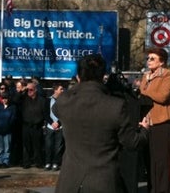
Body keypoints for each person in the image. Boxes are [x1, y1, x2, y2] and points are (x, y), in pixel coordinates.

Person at [53, 54, 150, 193]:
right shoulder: (115, 106)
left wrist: (79, 86)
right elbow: (132, 142)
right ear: (103, 76)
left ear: (78, 77)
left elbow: (56, 107)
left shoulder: (64, 102)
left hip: (70, 181)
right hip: (103, 181)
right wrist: (145, 130)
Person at [139, 47, 170, 193]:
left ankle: (162, 190)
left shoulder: (167, 75)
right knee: (149, 160)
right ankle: (151, 188)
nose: (149, 61)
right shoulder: (146, 76)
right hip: (147, 123)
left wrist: (146, 91)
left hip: (162, 123)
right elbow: (141, 93)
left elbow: (162, 96)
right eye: (148, 58)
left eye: (152, 58)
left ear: (161, 62)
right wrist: (146, 89)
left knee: (161, 161)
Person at [20, 82, 46, 169]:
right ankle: (26, 162)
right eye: (28, 90)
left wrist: (43, 123)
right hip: (26, 126)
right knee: (26, 146)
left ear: (35, 90)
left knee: (37, 145)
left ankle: (38, 162)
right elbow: (15, 99)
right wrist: (22, 90)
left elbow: (45, 113)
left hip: (37, 126)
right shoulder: (24, 99)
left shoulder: (41, 100)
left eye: (31, 89)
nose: (29, 91)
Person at [44, 83, 65, 171]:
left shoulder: (64, 101)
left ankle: (56, 163)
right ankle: (48, 162)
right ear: (55, 90)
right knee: (49, 145)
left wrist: (58, 123)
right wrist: (52, 123)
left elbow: (64, 114)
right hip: (50, 126)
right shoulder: (48, 100)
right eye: (61, 89)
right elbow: (45, 113)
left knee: (58, 147)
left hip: (60, 127)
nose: (62, 91)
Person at [0, 92, 17, 168]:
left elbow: (13, 119)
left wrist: (8, 127)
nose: (4, 100)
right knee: (0, 148)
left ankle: (5, 161)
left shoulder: (12, 107)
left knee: (7, 148)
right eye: (3, 98)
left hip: (8, 130)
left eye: (6, 98)